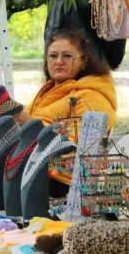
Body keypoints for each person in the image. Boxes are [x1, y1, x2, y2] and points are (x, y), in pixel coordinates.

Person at [15, 29, 118, 196]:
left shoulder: (92, 97)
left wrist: (29, 124)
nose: (59, 61)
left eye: (67, 56)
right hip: (34, 169)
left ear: (84, 61)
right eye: (53, 56)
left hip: (64, 181)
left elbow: (77, 150)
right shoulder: (50, 90)